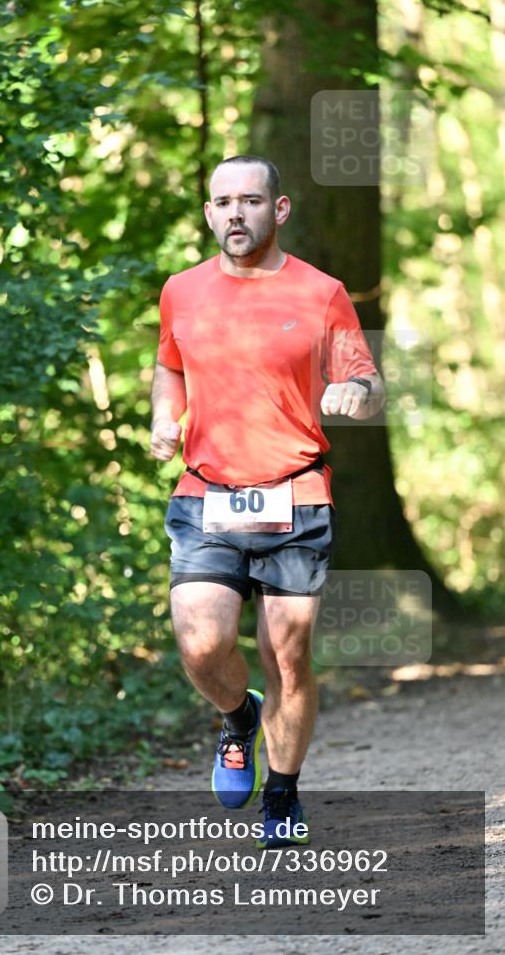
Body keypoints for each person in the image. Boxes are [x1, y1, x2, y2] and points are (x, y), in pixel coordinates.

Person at [149, 155, 384, 847]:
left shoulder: (321, 292)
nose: (234, 214)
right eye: (221, 202)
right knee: (200, 645)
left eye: (250, 201)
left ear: (277, 210)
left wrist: (353, 393)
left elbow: (367, 382)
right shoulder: (181, 291)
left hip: (295, 494)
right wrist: (164, 418)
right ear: (208, 213)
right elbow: (169, 366)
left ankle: (281, 797)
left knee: (288, 654)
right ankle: (237, 717)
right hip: (206, 493)